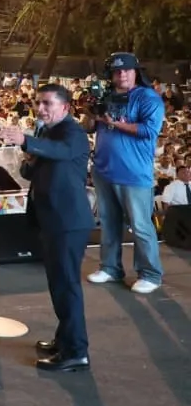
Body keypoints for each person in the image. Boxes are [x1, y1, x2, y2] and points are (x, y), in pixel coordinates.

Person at [1, 83, 95, 373]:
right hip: (52, 220)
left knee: (67, 287)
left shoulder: (73, 133)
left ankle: (76, 352)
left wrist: (27, 141)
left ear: (65, 107)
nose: (40, 109)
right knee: (58, 285)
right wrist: (28, 157)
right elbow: (32, 170)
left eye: (47, 104)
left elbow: (62, 151)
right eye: (38, 103)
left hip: (68, 222)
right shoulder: (48, 133)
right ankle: (63, 339)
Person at [84, 53, 165, 294]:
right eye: (117, 71)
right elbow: (88, 127)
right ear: (110, 75)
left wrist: (114, 123)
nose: (122, 74)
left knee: (140, 225)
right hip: (104, 170)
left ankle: (150, 273)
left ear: (136, 72)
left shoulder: (148, 98)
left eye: (127, 70)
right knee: (109, 223)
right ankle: (110, 267)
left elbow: (149, 131)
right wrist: (91, 113)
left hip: (134, 173)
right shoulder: (106, 97)